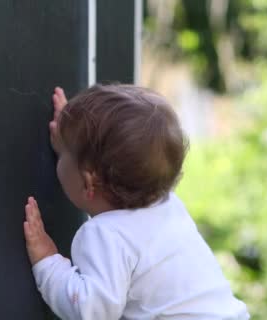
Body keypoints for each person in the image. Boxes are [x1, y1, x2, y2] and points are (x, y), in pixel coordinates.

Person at [23, 84, 249, 320]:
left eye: (65, 153)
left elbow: (91, 310)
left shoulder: (105, 234)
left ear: (89, 182)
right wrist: (74, 139)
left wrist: (48, 261)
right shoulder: (167, 204)